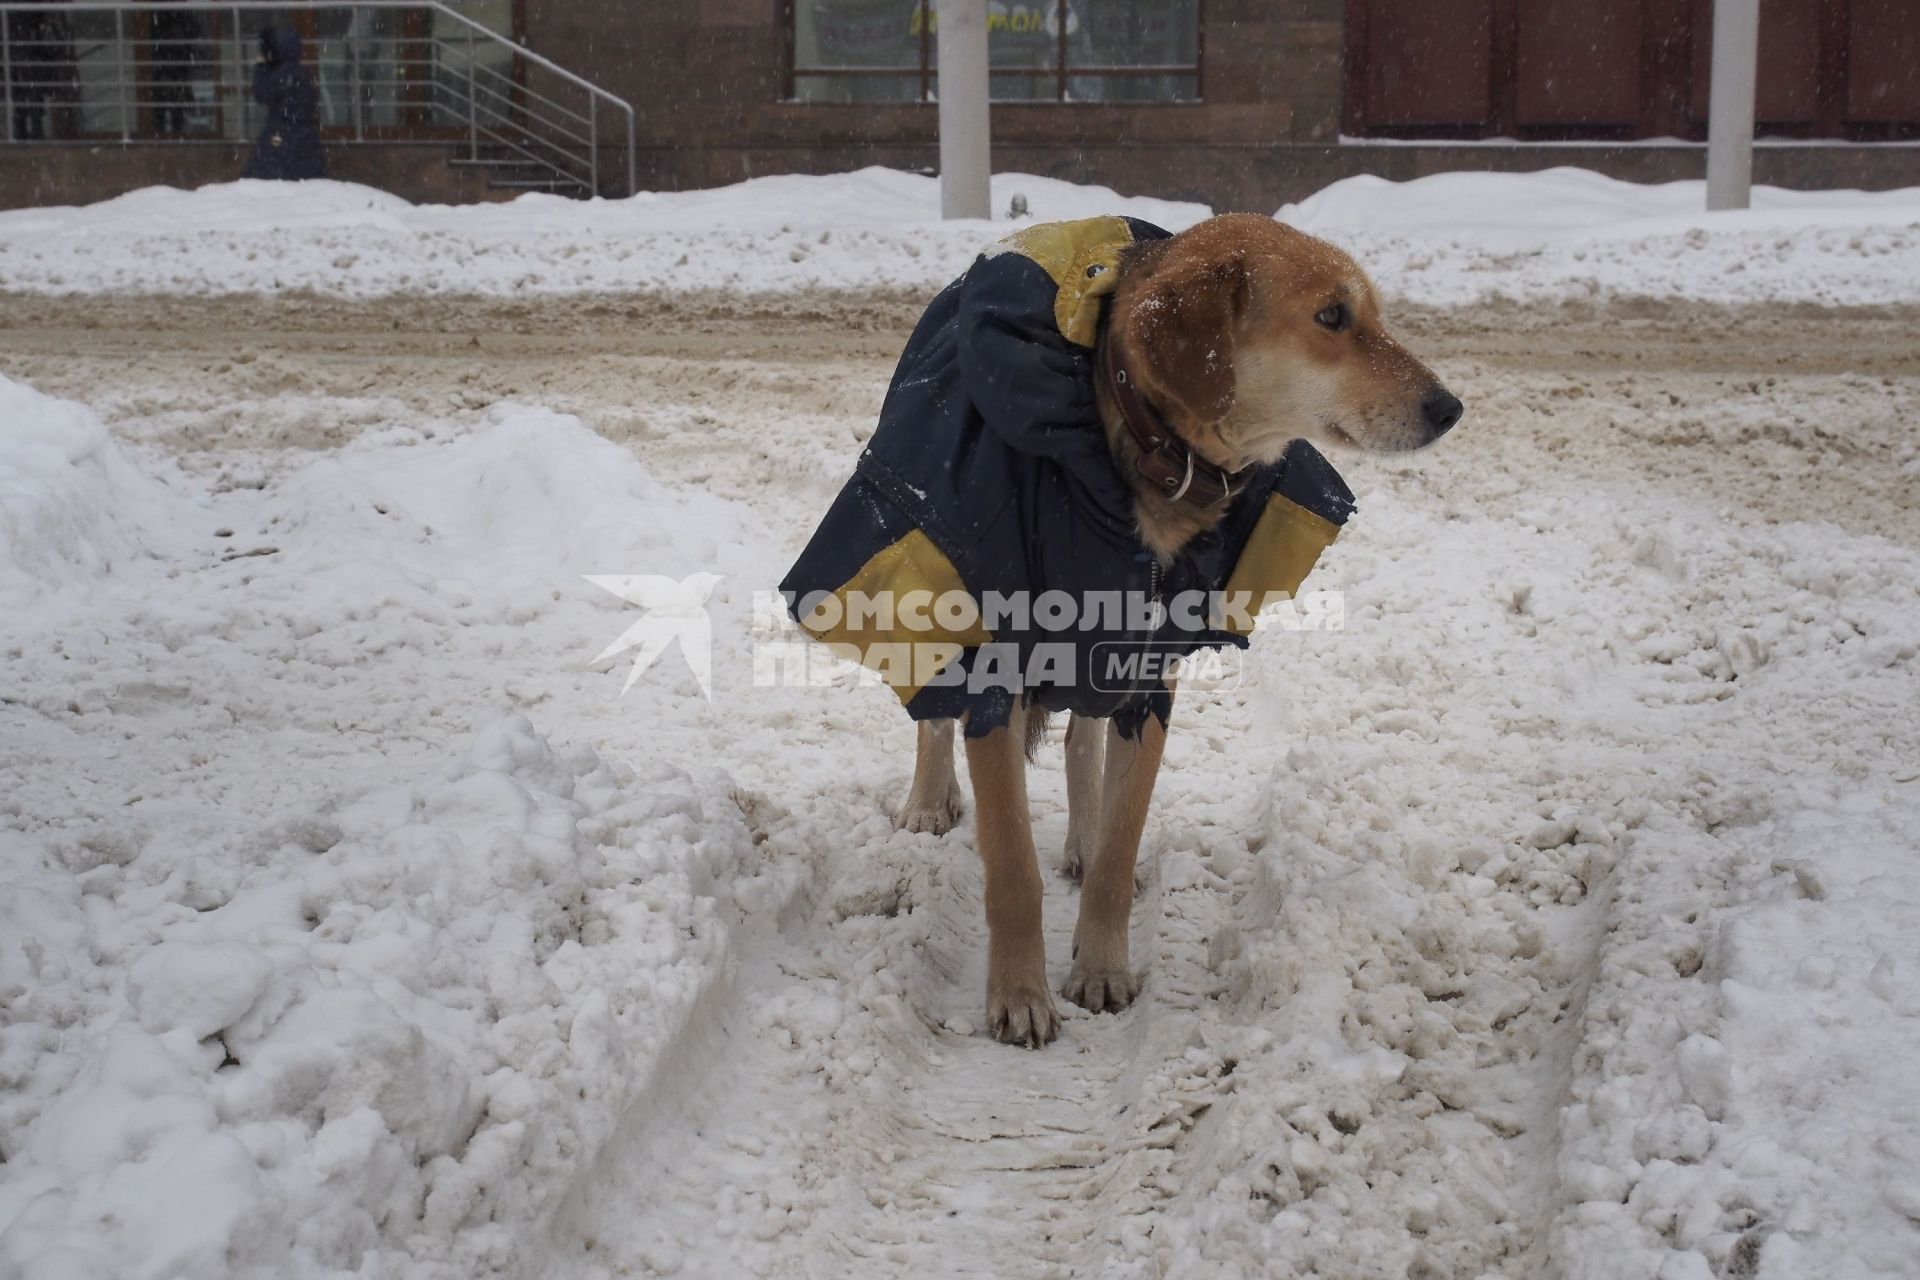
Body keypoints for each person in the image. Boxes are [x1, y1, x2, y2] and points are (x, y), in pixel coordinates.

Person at [242, 24, 325, 180]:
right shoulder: (300, 72)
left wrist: (261, 66)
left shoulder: (285, 74)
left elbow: (261, 93)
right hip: (302, 135)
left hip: (283, 134)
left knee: (261, 176)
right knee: (304, 175)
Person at [7, 10, 76, 141]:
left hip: (23, 46)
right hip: (27, 46)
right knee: (27, 90)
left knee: (25, 90)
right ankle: (29, 129)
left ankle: (26, 129)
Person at [149, 2, 208, 136]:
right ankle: (167, 134)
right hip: (168, 66)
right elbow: (195, 30)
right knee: (166, 105)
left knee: (172, 105)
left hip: (172, 66)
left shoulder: (175, 14)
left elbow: (195, 29)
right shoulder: (164, 15)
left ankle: (171, 134)